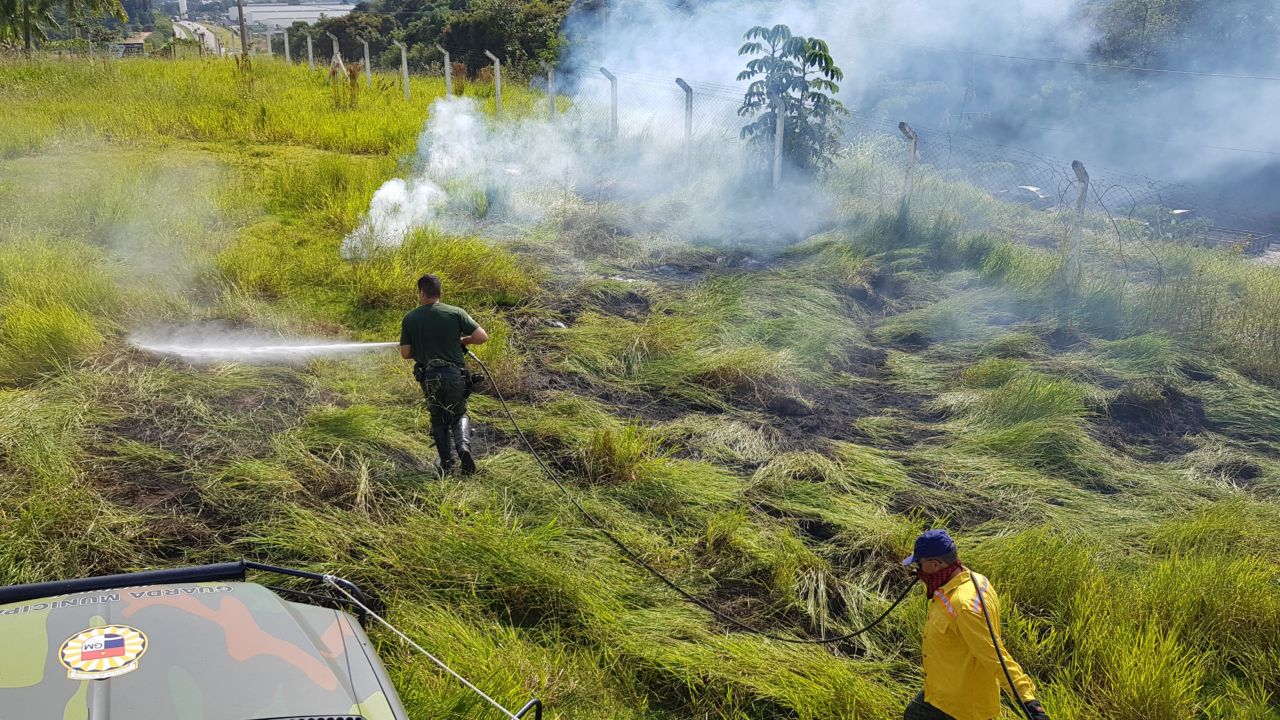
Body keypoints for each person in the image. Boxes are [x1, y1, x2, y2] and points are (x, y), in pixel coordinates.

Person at [902, 529, 1049, 720]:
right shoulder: (975, 580)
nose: (917, 571)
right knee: (914, 714)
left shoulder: (963, 606)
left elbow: (994, 654)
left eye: (919, 564)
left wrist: (1029, 701)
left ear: (935, 564)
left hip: (962, 707)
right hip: (941, 692)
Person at [399, 274, 488, 475]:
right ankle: (463, 447)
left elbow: (405, 354)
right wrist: (464, 340)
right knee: (458, 414)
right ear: (439, 292)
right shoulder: (455, 312)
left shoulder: (411, 318)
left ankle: (446, 463)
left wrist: (421, 347)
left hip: (430, 377)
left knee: (438, 418)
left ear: (421, 293)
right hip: (456, 375)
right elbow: (481, 337)